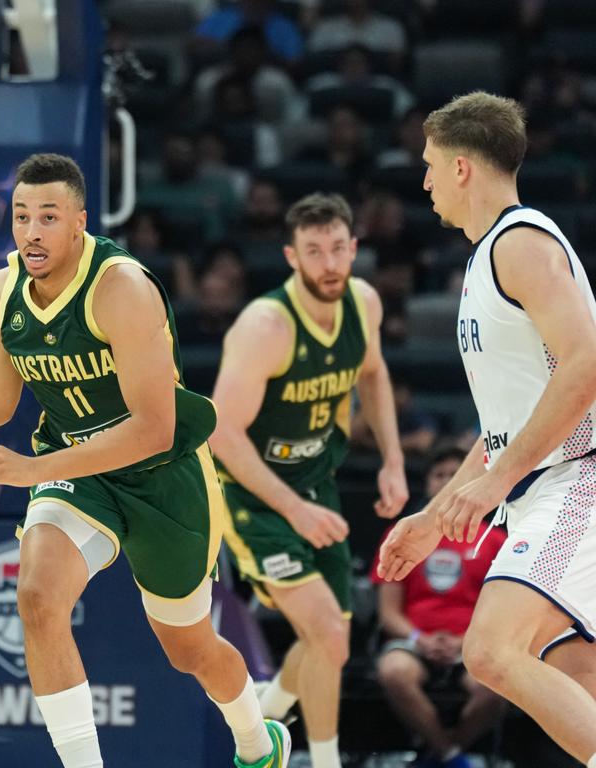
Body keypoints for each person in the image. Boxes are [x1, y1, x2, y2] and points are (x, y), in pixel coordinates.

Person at [0, 153, 291, 768]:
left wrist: (30, 469)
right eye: (21, 217)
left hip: (164, 476)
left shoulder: (121, 288)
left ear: (79, 223)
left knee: (190, 648)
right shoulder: (1, 292)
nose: (32, 231)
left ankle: (260, 744)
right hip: (75, 469)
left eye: (48, 216)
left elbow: (153, 430)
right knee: (38, 598)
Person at [377, 91, 596, 768]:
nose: (425, 180)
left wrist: (499, 479)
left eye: (430, 164)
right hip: (547, 486)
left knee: (490, 651)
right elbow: (508, 423)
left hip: (576, 480)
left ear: (463, 167)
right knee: (574, 677)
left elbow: (588, 363)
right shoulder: (487, 256)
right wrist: (434, 514)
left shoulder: (521, 243)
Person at [209, 192, 409, 768]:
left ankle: (265, 728)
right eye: (314, 251)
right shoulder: (265, 326)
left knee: (331, 640)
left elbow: (373, 373)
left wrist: (393, 459)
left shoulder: (364, 305)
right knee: (326, 632)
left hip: (317, 485)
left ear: (354, 249)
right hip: (252, 494)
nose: (329, 263)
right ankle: (322, 762)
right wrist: (291, 510)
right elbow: (222, 434)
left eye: (338, 249)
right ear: (291, 257)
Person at [371, 445, 506, 768]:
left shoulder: (496, 539)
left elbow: (502, 611)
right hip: (415, 641)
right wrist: (421, 639)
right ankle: (453, 757)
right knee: (393, 672)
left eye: (454, 474)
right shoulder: (403, 533)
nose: (448, 481)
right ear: (428, 484)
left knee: (500, 683)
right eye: (439, 475)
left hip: (473, 641)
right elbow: (388, 613)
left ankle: (443, 754)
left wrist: (462, 641)